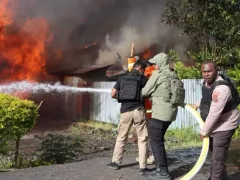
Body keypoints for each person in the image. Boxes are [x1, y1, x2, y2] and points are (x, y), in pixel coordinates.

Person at [191, 61, 240, 180]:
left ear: (216, 70)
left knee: (217, 158)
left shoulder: (222, 89)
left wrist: (204, 131)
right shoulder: (208, 83)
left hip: (225, 124)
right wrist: (197, 105)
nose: (206, 74)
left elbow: (214, 113)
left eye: (209, 71)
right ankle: (224, 177)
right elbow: (206, 98)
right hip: (216, 123)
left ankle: (215, 177)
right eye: (204, 71)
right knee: (216, 154)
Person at [141, 53, 184, 180]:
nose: (154, 66)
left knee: (156, 142)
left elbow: (145, 91)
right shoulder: (173, 74)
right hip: (171, 113)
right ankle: (160, 169)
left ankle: (163, 173)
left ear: (160, 63)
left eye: (155, 63)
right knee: (158, 140)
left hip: (160, 113)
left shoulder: (158, 75)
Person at [107, 59, 149, 175]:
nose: (144, 72)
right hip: (138, 110)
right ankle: (143, 166)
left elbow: (113, 94)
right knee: (142, 138)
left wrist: (123, 98)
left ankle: (116, 163)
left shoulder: (121, 77)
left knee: (121, 136)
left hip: (125, 111)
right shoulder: (142, 79)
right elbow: (148, 93)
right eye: (144, 70)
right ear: (140, 68)